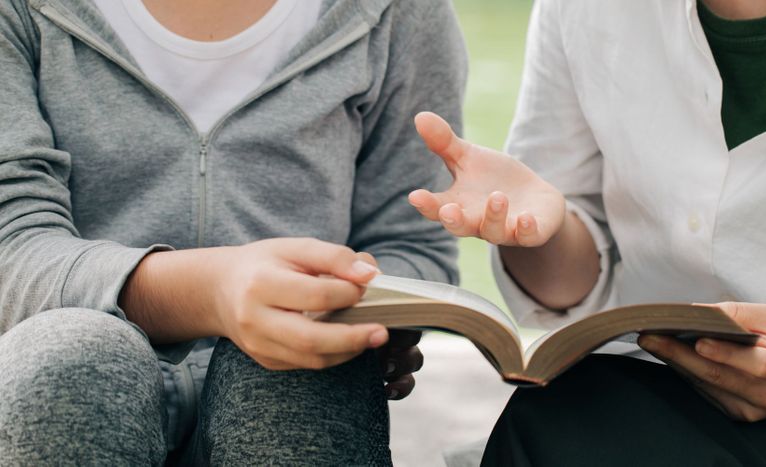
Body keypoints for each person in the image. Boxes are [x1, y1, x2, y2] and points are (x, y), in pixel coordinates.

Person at [411, 0, 766, 465]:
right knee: (557, 422)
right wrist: (535, 232)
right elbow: (570, 282)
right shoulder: (581, 12)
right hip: (641, 387)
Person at [0, 0, 465, 464]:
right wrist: (212, 293)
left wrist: (361, 313)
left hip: (295, 394)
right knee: (74, 359)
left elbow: (411, 244)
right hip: (66, 390)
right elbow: (11, 245)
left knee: (296, 380)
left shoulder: (398, 11)